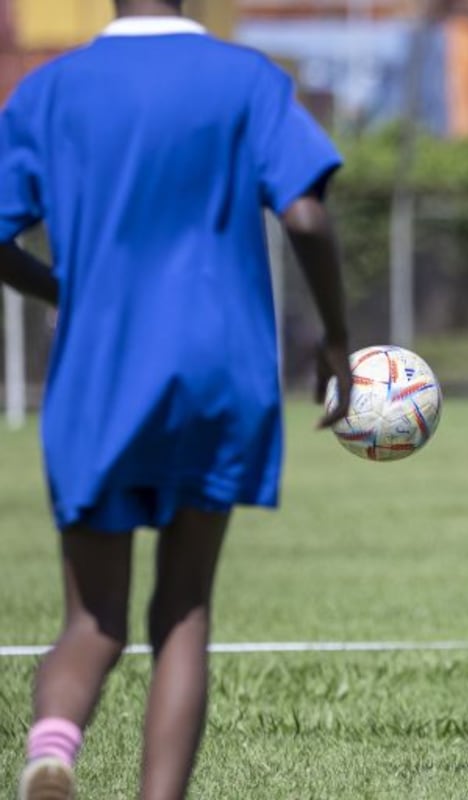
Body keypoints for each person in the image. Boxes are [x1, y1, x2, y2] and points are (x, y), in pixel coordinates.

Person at [0, 2, 354, 798]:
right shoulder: (247, 80)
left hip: (99, 374)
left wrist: (66, 286)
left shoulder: (50, 90)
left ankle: (52, 750)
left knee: (91, 621)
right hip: (220, 373)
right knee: (184, 607)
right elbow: (304, 212)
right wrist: (336, 338)